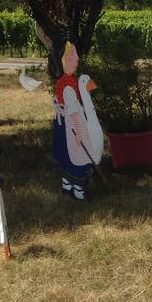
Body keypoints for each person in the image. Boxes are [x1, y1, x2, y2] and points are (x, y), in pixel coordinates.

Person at [50, 38, 103, 201]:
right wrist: (79, 133)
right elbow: (72, 111)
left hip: (63, 125)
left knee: (66, 156)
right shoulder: (68, 85)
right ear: (65, 60)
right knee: (77, 157)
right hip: (71, 127)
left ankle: (67, 184)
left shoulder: (66, 81)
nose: (77, 59)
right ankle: (78, 189)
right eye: (74, 55)